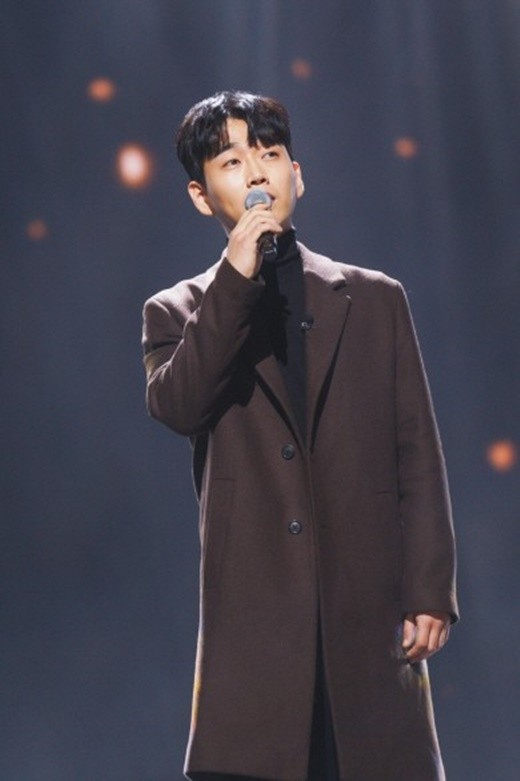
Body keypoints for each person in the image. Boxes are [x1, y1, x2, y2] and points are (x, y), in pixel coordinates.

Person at [142, 91, 458, 781]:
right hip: (255, 613)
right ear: (201, 195)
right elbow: (179, 404)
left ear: (298, 175)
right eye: (232, 161)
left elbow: (416, 451)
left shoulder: (375, 298)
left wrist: (430, 586)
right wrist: (236, 278)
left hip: (367, 606)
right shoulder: (179, 311)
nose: (258, 172)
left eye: (271, 153)